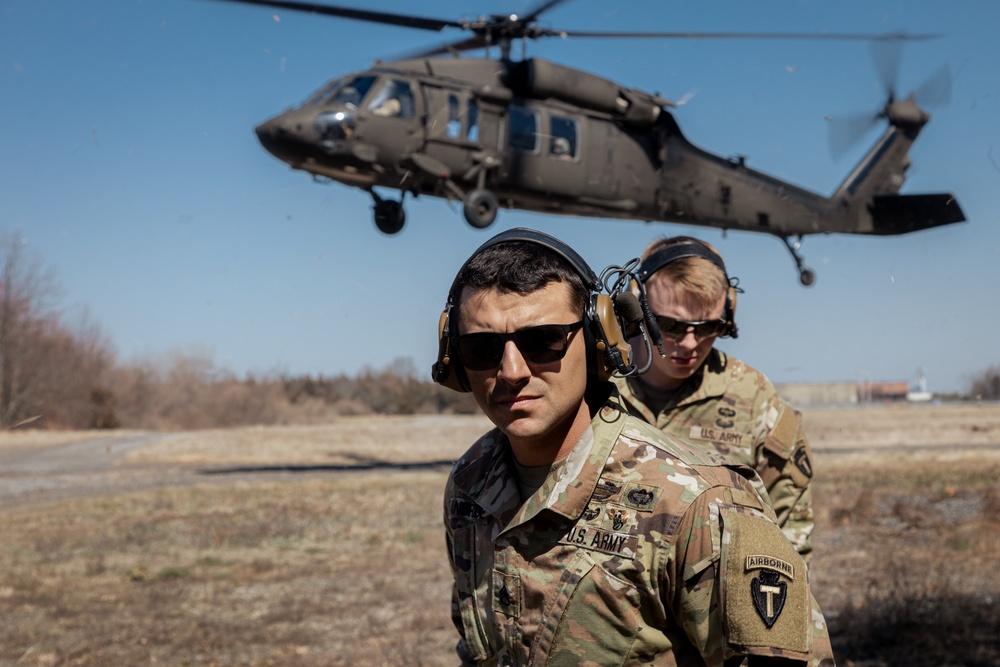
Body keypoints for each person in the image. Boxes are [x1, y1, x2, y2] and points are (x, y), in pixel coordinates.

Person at [433, 228, 834, 666]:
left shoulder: (702, 501)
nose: (511, 371)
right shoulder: (471, 484)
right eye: (481, 347)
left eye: (543, 341)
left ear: (595, 340)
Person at [615, 236, 815, 561]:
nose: (691, 343)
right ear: (637, 307)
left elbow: (790, 533)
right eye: (671, 325)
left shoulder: (752, 397)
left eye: (709, 327)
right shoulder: (593, 387)